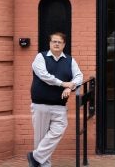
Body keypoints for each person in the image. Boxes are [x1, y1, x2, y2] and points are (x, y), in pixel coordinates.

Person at [27, 32, 83, 167]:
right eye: (54, 41)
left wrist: (70, 88)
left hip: (59, 105)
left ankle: (35, 157)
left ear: (64, 44)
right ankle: (43, 164)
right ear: (50, 43)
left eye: (59, 42)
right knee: (40, 139)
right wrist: (63, 84)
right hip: (41, 104)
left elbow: (79, 76)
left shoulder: (70, 60)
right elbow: (44, 76)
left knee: (59, 129)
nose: (56, 44)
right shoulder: (40, 57)